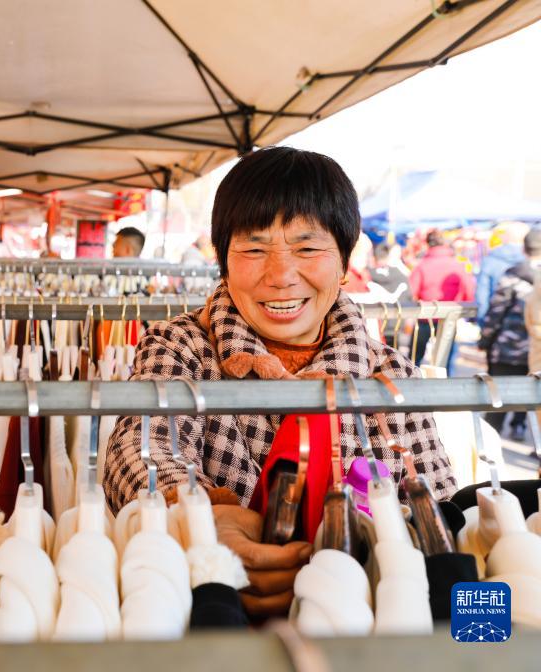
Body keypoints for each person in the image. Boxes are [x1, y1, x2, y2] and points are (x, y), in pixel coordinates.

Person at [103, 146, 456, 617]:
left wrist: (479, 639)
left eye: (307, 248)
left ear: (344, 261)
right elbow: (141, 449)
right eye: (254, 249)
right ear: (223, 260)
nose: (282, 276)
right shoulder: (181, 345)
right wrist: (204, 519)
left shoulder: (390, 376)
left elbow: (444, 509)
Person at [479, 228, 541, 440]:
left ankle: (490, 442)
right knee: (532, 394)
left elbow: (496, 310)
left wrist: (486, 338)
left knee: (499, 396)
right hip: (536, 349)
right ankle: (519, 426)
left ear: (524, 248)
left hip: (508, 347)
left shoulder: (514, 274)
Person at [407, 230, 475, 370]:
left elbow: (411, 292)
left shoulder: (422, 265)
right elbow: (469, 290)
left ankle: (412, 381)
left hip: (425, 315)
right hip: (449, 315)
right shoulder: (458, 265)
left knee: (414, 359)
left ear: (428, 244)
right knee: (444, 360)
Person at [476, 222, 529, 326]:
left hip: (497, 319)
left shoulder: (490, 260)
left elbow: (482, 296)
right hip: (528, 321)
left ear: (505, 237)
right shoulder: (533, 261)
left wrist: (484, 323)